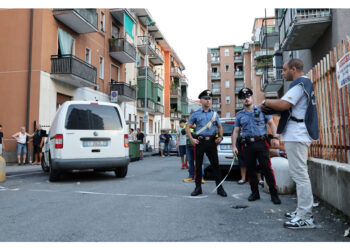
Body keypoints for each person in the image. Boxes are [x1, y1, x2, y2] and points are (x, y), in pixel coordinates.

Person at [260, 58, 319, 229]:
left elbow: (284, 104)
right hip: (298, 133)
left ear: (293, 69)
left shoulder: (300, 84)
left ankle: (305, 216)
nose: (282, 73)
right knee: (298, 174)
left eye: (284, 70)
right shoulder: (303, 83)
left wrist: (266, 102)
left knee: (300, 175)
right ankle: (302, 211)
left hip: (298, 134)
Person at [232, 88, 281, 205]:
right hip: (247, 145)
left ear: (252, 97)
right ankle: (254, 193)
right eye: (243, 98)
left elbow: (271, 124)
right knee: (251, 170)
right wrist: (234, 146)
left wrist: (275, 137)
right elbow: (235, 131)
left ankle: (274, 194)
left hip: (261, 143)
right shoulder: (239, 115)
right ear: (241, 101)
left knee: (267, 169)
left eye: (248, 96)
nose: (246, 99)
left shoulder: (262, 110)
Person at [186, 89, 227, 197]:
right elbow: (187, 127)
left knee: (216, 166)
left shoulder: (214, 114)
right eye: (206, 99)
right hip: (200, 142)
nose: (208, 101)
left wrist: (221, 137)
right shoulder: (195, 114)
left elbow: (220, 126)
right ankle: (198, 188)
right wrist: (191, 139)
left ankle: (220, 188)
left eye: (209, 99)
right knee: (198, 166)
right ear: (201, 101)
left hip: (212, 142)